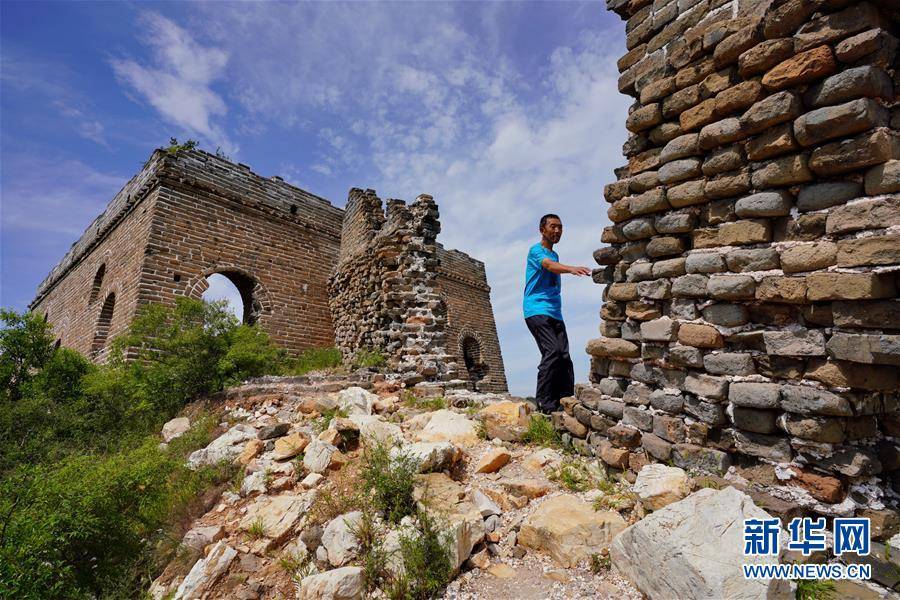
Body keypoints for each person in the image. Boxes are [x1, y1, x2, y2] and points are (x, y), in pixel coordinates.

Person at [523, 214, 591, 414]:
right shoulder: (535, 251)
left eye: (560, 227)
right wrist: (572, 269)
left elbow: (554, 263)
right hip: (536, 309)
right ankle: (544, 402)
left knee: (564, 356)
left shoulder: (556, 254)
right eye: (553, 227)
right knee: (552, 351)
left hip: (555, 312)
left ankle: (565, 399)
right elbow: (549, 266)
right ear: (542, 229)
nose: (557, 231)